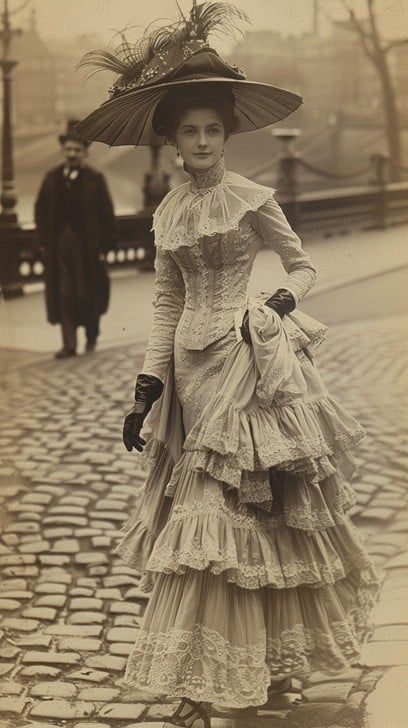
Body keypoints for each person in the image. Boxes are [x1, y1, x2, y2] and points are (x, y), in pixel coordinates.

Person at [77, 4, 378, 726]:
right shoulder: (168, 213)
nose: (204, 141)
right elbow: (164, 303)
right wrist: (147, 389)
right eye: (191, 131)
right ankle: (214, 661)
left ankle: (262, 663)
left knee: (255, 509)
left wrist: (277, 297)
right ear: (173, 140)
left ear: (227, 134)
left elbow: (303, 267)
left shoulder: (252, 198)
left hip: (249, 364)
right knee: (201, 519)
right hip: (191, 374)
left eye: (214, 130)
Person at [35, 121, 116, 359]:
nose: (72, 154)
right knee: (64, 293)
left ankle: (91, 336)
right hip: (59, 247)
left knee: (87, 292)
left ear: (86, 153)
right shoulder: (51, 179)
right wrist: (42, 242)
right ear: (63, 151)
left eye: (77, 150)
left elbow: (107, 214)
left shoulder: (95, 179)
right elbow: (40, 210)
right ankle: (69, 344)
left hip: (88, 248)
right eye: (68, 150)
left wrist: (106, 246)